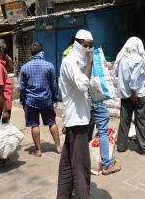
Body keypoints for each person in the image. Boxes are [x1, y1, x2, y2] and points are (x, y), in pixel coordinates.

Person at [57, 29, 93, 199]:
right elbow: (82, 85)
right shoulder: (71, 60)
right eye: (85, 45)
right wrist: (90, 63)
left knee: (67, 162)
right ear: (77, 43)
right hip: (76, 119)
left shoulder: (77, 60)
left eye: (91, 46)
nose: (88, 50)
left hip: (78, 117)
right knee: (81, 165)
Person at [114, 37, 145, 155]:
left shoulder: (121, 58)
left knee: (124, 120)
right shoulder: (138, 59)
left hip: (125, 95)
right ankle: (143, 148)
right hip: (137, 94)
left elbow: (117, 74)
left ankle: (121, 146)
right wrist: (133, 93)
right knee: (141, 121)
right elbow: (133, 78)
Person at [20, 43, 61, 157]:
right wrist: (54, 99)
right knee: (52, 123)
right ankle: (58, 147)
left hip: (31, 101)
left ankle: (38, 150)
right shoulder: (49, 66)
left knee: (34, 125)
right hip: (46, 100)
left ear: (31, 53)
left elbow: (22, 88)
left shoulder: (24, 68)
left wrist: (23, 102)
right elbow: (53, 85)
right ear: (41, 52)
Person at [88, 98, 122, 175]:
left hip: (83, 104)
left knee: (85, 129)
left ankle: (81, 161)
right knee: (103, 131)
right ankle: (106, 166)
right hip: (94, 101)